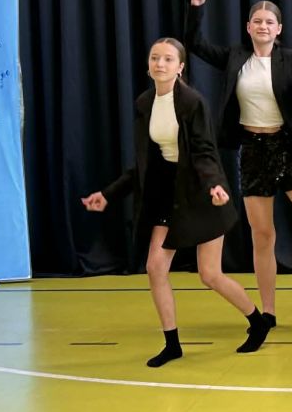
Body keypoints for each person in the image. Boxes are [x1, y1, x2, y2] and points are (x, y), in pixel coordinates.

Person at [81, 38, 269, 366]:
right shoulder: (145, 103)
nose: (160, 64)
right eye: (155, 58)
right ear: (148, 65)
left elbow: (205, 151)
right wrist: (109, 194)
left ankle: (257, 320)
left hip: (202, 191)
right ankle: (172, 344)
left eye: (168, 59)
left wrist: (214, 185)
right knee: (155, 267)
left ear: (180, 67)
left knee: (209, 274)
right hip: (168, 193)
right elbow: (143, 164)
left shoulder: (193, 102)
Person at [184, 0, 292, 333]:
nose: (263, 26)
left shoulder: (291, 59)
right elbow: (194, 44)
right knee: (263, 236)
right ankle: (269, 311)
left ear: (279, 29)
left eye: (269, 22)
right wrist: (196, 7)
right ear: (248, 27)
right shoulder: (234, 56)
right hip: (253, 151)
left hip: (287, 149)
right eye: (257, 21)